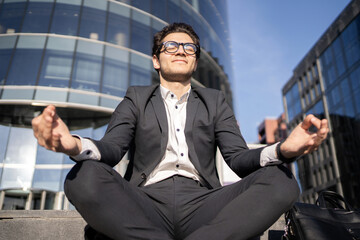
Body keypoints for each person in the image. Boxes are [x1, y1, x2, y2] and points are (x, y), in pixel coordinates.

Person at [32, 23, 329, 240]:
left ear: (195, 60)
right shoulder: (137, 97)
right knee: (83, 175)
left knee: (282, 179)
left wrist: (283, 150)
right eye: (170, 46)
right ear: (156, 60)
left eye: (189, 47)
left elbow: (238, 159)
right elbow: (110, 149)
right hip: (144, 202)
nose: (180, 51)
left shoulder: (215, 100)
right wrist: (71, 144)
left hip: (204, 204)